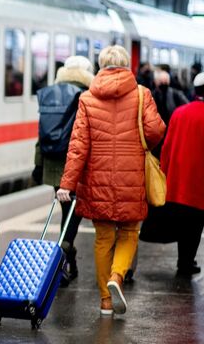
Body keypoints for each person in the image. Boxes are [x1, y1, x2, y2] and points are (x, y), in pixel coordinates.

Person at [57, 45, 165, 316]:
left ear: (101, 65)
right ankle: (117, 276)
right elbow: (155, 132)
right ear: (126, 64)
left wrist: (67, 184)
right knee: (129, 232)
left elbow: (78, 146)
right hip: (132, 177)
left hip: (97, 179)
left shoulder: (87, 98)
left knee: (103, 238)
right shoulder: (142, 94)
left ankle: (105, 301)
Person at [33, 56, 94, 286]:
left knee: (68, 211)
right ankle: (64, 260)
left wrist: (38, 165)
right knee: (73, 217)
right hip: (79, 166)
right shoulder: (87, 96)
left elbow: (41, 134)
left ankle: (68, 259)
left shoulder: (51, 93)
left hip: (54, 166)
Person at [160, 73, 204, 276]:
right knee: (196, 223)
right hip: (199, 181)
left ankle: (184, 260)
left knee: (185, 222)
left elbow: (167, 147)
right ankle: (187, 261)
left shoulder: (179, 112)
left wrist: (164, 173)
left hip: (179, 180)